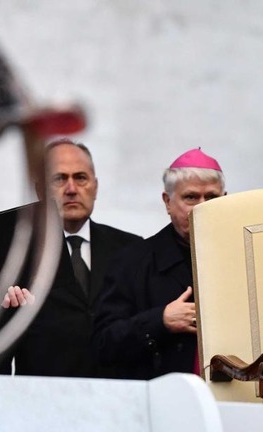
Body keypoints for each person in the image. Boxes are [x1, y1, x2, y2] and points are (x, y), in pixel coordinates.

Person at [0, 139, 141, 377]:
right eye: (59, 179)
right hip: (43, 403)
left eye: (81, 177)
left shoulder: (132, 250)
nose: (71, 188)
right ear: (40, 189)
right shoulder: (15, 257)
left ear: (96, 186)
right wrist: (4, 314)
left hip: (119, 402)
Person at [92, 148, 225, 379]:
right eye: (191, 197)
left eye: (212, 198)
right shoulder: (132, 261)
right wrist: (160, 321)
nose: (202, 207)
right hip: (160, 395)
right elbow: (104, 344)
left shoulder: (241, 256)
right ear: (168, 202)